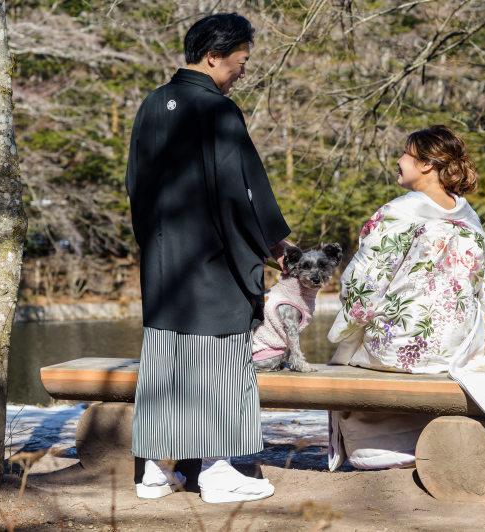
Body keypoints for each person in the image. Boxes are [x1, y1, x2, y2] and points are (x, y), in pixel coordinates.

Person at [326, 125, 485, 471]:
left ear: (427, 165)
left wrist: (346, 331)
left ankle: (381, 449)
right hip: (453, 352)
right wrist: (481, 351)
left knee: (349, 352)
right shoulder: (471, 222)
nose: (398, 160)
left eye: (406, 154)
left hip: (397, 350)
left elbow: (360, 286)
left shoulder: (397, 214)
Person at [125, 13, 291, 503]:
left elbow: (136, 186)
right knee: (222, 363)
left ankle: (154, 473)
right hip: (211, 261)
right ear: (214, 56)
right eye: (241, 61)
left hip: (163, 263)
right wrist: (270, 244)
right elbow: (241, 194)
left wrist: (154, 246)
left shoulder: (154, 104)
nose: (243, 70)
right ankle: (217, 472)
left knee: (166, 361)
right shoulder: (218, 111)